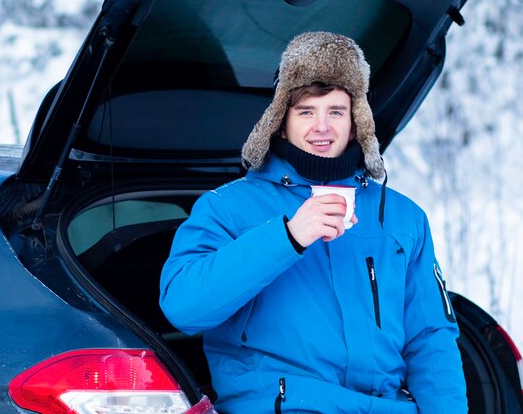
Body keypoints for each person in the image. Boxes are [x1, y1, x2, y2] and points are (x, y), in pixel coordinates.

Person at [160, 32, 468, 414]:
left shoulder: (404, 217)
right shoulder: (226, 207)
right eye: (306, 111)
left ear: (356, 122)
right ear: (281, 121)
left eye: (335, 112)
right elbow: (183, 307)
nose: (321, 127)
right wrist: (287, 236)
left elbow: (431, 337)